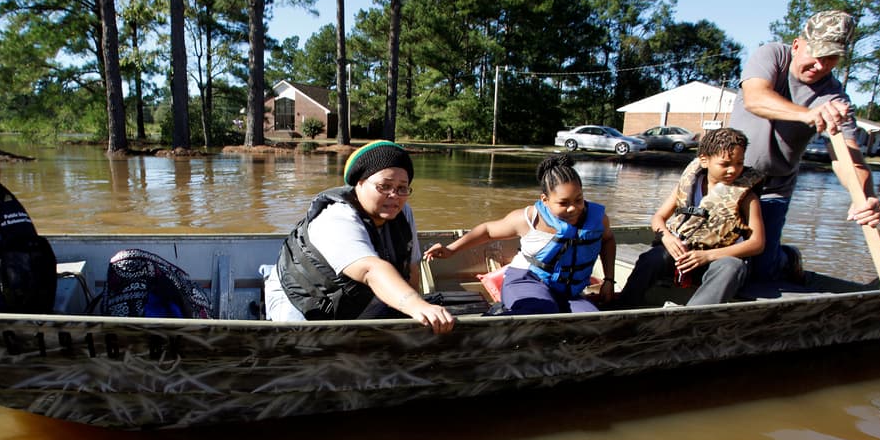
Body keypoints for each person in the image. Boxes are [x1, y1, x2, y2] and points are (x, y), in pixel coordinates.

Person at [730, 9, 880, 282]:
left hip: (773, 188)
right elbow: (755, 98)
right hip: (728, 181)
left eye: (831, 59)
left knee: (760, 272)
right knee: (712, 251)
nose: (821, 66)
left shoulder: (834, 99)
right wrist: (808, 114)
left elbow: (848, 158)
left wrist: (865, 196)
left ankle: (785, 257)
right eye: (817, 54)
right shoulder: (773, 55)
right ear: (798, 45)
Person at [263, 140, 455, 333]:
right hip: (300, 295)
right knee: (302, 349)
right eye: (384, 186)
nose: (394, 195)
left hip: (353, 295)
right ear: (360, 184)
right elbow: (371, 270)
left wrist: (416, 313)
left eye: (402, 188)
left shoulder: (403, 213)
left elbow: (411, 267)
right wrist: (415, 305)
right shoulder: (336, 217)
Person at [423, 154, 616, 314]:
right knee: (540, 313)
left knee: (590, 320)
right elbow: (488, 231)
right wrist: (451, 249)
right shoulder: (530, 218)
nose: (573, 208)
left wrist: (608, 280)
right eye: (563, 203)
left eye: (579, 199)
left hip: (568, 291)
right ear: (545, 200)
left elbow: (607, 241)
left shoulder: (597, 219)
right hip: (526, 279)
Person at [617, 127, 765, 308]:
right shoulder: (690, 184)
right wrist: (668, 238)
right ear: (704, 160)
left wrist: (707, 256)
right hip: (685, 256)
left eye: (739, 163)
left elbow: (757, 243)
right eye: (725, 164)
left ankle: (690, 320)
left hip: (718, 260)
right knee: (652, 258)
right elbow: (659, 218)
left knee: (731, 267)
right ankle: (622, 309)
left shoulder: (747, 197)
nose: (733, 170)